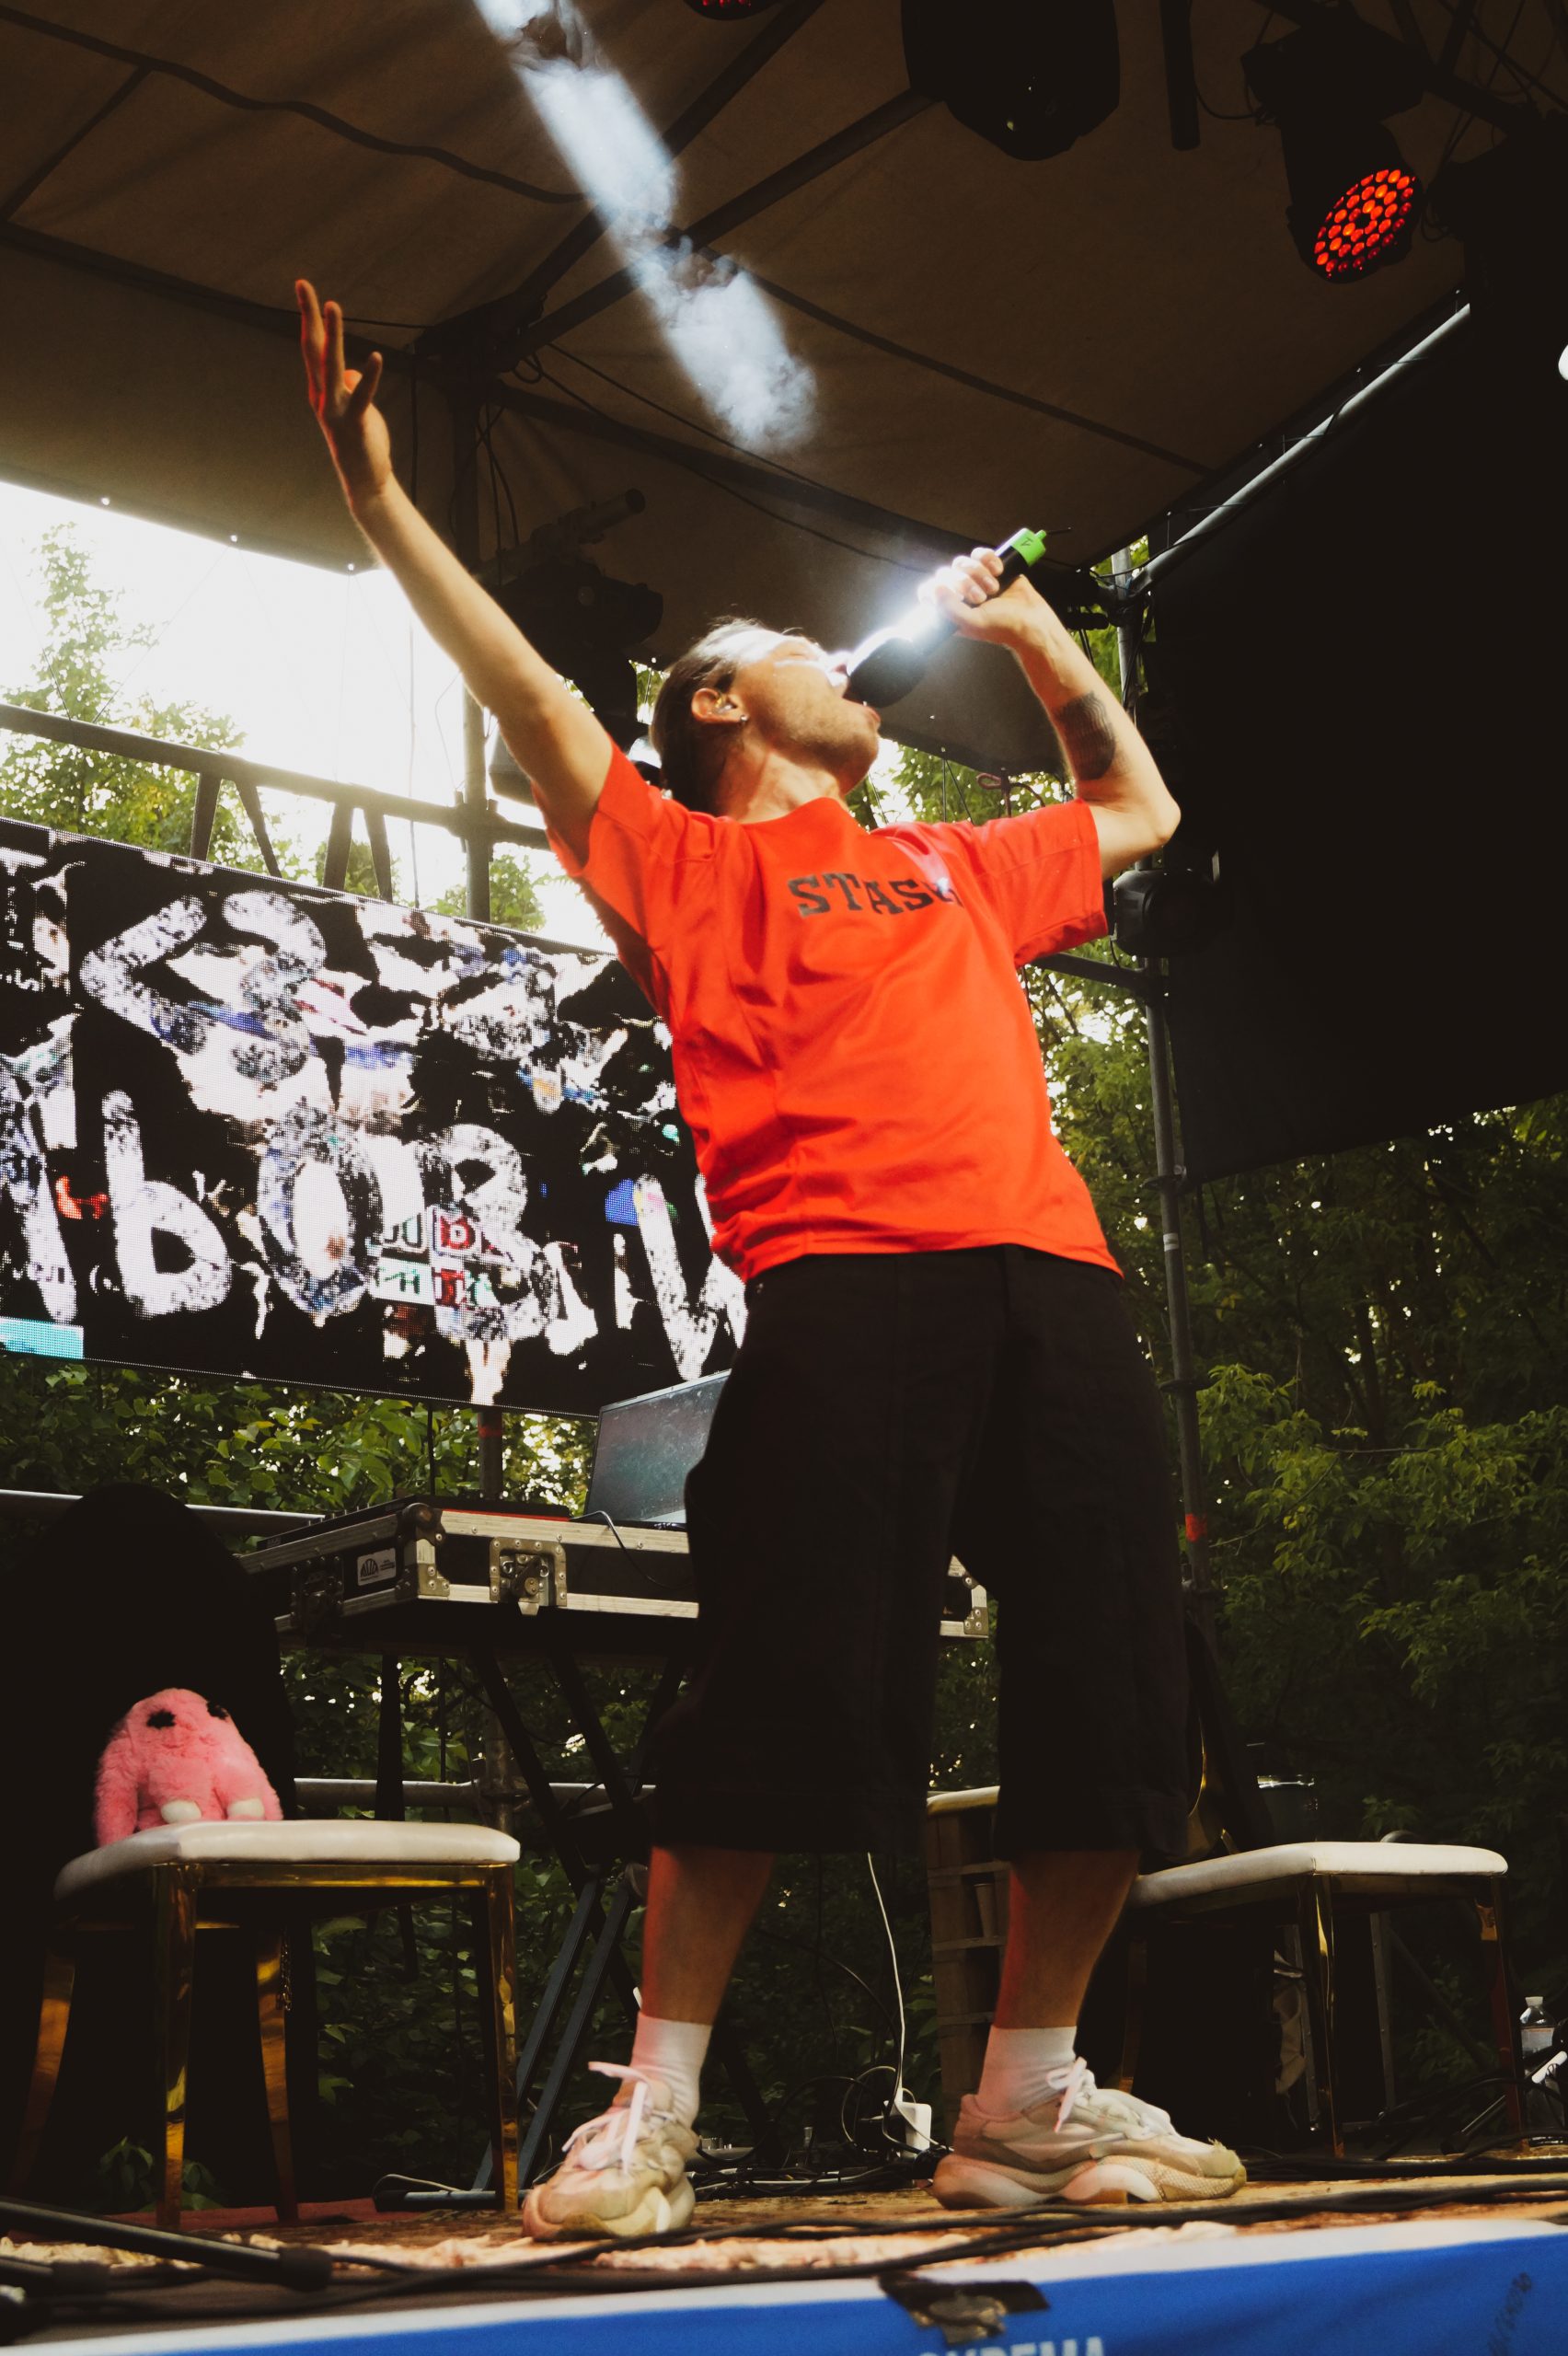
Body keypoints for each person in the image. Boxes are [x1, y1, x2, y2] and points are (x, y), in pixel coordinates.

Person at [297, 281, 1246, 2234]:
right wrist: (380, 499)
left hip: (1053, 1281)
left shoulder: (952, 861)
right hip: (848, 1277)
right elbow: (531, 699)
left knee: (1119, 1677)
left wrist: (1041, 640)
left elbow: (1140, 806)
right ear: (721, 703)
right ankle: (651, 2108)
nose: (832, 653)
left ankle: (1026, 2101)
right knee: (781, 1684)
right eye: (786, 646)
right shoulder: (682, 856)